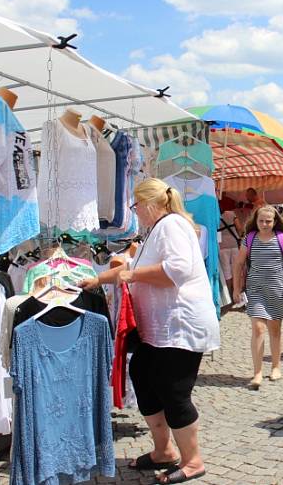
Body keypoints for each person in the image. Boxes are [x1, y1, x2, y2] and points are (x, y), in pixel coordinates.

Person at [79, 178, 220, 484]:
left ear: (149, 204)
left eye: (136, 205)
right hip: (160, 328)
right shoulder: (156, 231)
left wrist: (131, 275)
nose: (135, 211)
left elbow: (177, 269)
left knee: (174, 391)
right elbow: (130, 265)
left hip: (180, 326)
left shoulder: (171, 225)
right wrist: (98, 280)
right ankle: (163, 451)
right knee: (143, 373)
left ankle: (193, 461)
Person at [232, 205, 283, 390]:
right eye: (261, 221)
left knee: (275, 329)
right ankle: (257, 372)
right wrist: (236, 288)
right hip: (256, 290)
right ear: (256, 221)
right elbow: (238, 264)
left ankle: (276, 366)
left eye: (268, 221)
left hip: (278, 289)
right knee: (258, 329)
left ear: (275, 221)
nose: (264, 224)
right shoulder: (249, 239)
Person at [218, 201, 242, 302]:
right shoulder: (231, 214)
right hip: (234, 243)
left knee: (227, 271)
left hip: (222, 246)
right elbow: (239, 228)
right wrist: (239, 237)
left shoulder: (215, 218)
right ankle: (237, 293)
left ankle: (230, 294)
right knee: (236, 269)